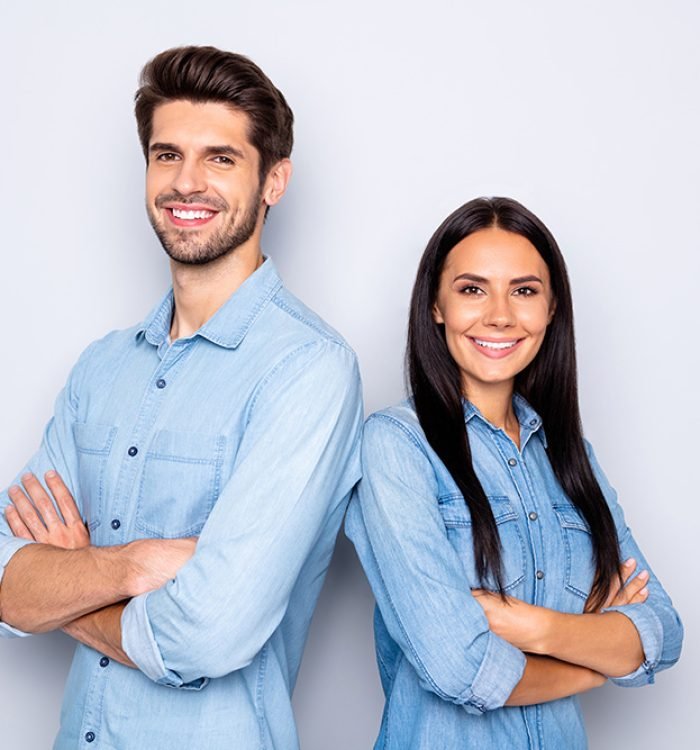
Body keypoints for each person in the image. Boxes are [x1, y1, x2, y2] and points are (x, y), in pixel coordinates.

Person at [0, 46, 363, 749]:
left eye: (220, 159)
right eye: (166, 155)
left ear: (274, 180)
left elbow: (208, 634)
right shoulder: (99, 370)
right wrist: (133, 565)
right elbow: (7, 582)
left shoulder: (309, 370)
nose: (186, 183)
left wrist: (71, 584)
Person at [345, 196, 682, 749]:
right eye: (472, 289)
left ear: (551, 310)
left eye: (524, 291)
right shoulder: (397, 446)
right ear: (436, 305)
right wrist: (592, 661)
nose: (500, 314)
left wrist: (532, 627)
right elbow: (460, 667)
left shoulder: (570, 456)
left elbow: (663, 633)